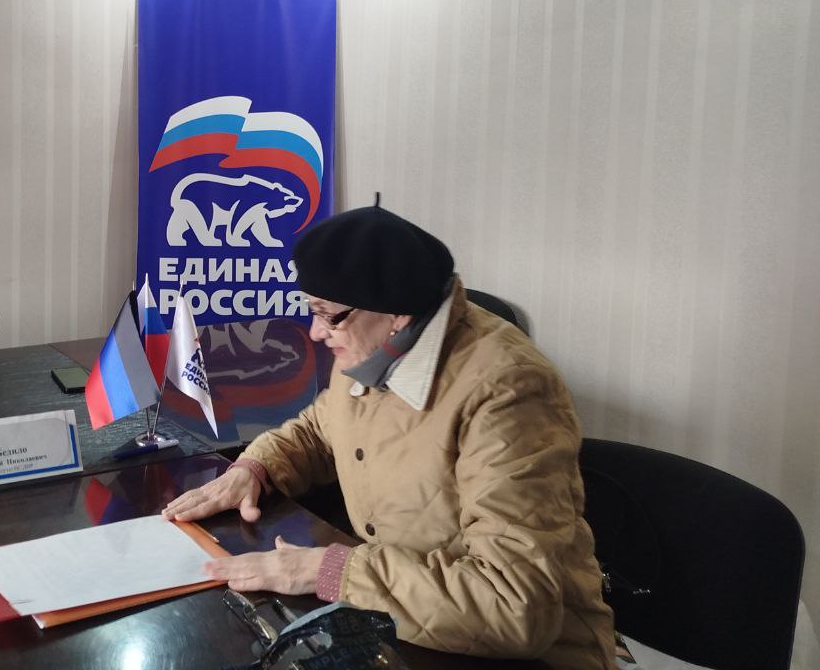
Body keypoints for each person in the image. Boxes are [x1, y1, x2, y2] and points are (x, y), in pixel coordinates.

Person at [163, 205, 615, 670]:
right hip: (405, 622)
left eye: (328, 316)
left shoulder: (508, 391)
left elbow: (514, 604)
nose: (316, 332)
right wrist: (255, 467)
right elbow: (321, 429)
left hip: (529, 654)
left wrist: (332, 572)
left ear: (396, 313)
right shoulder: (373, 347)